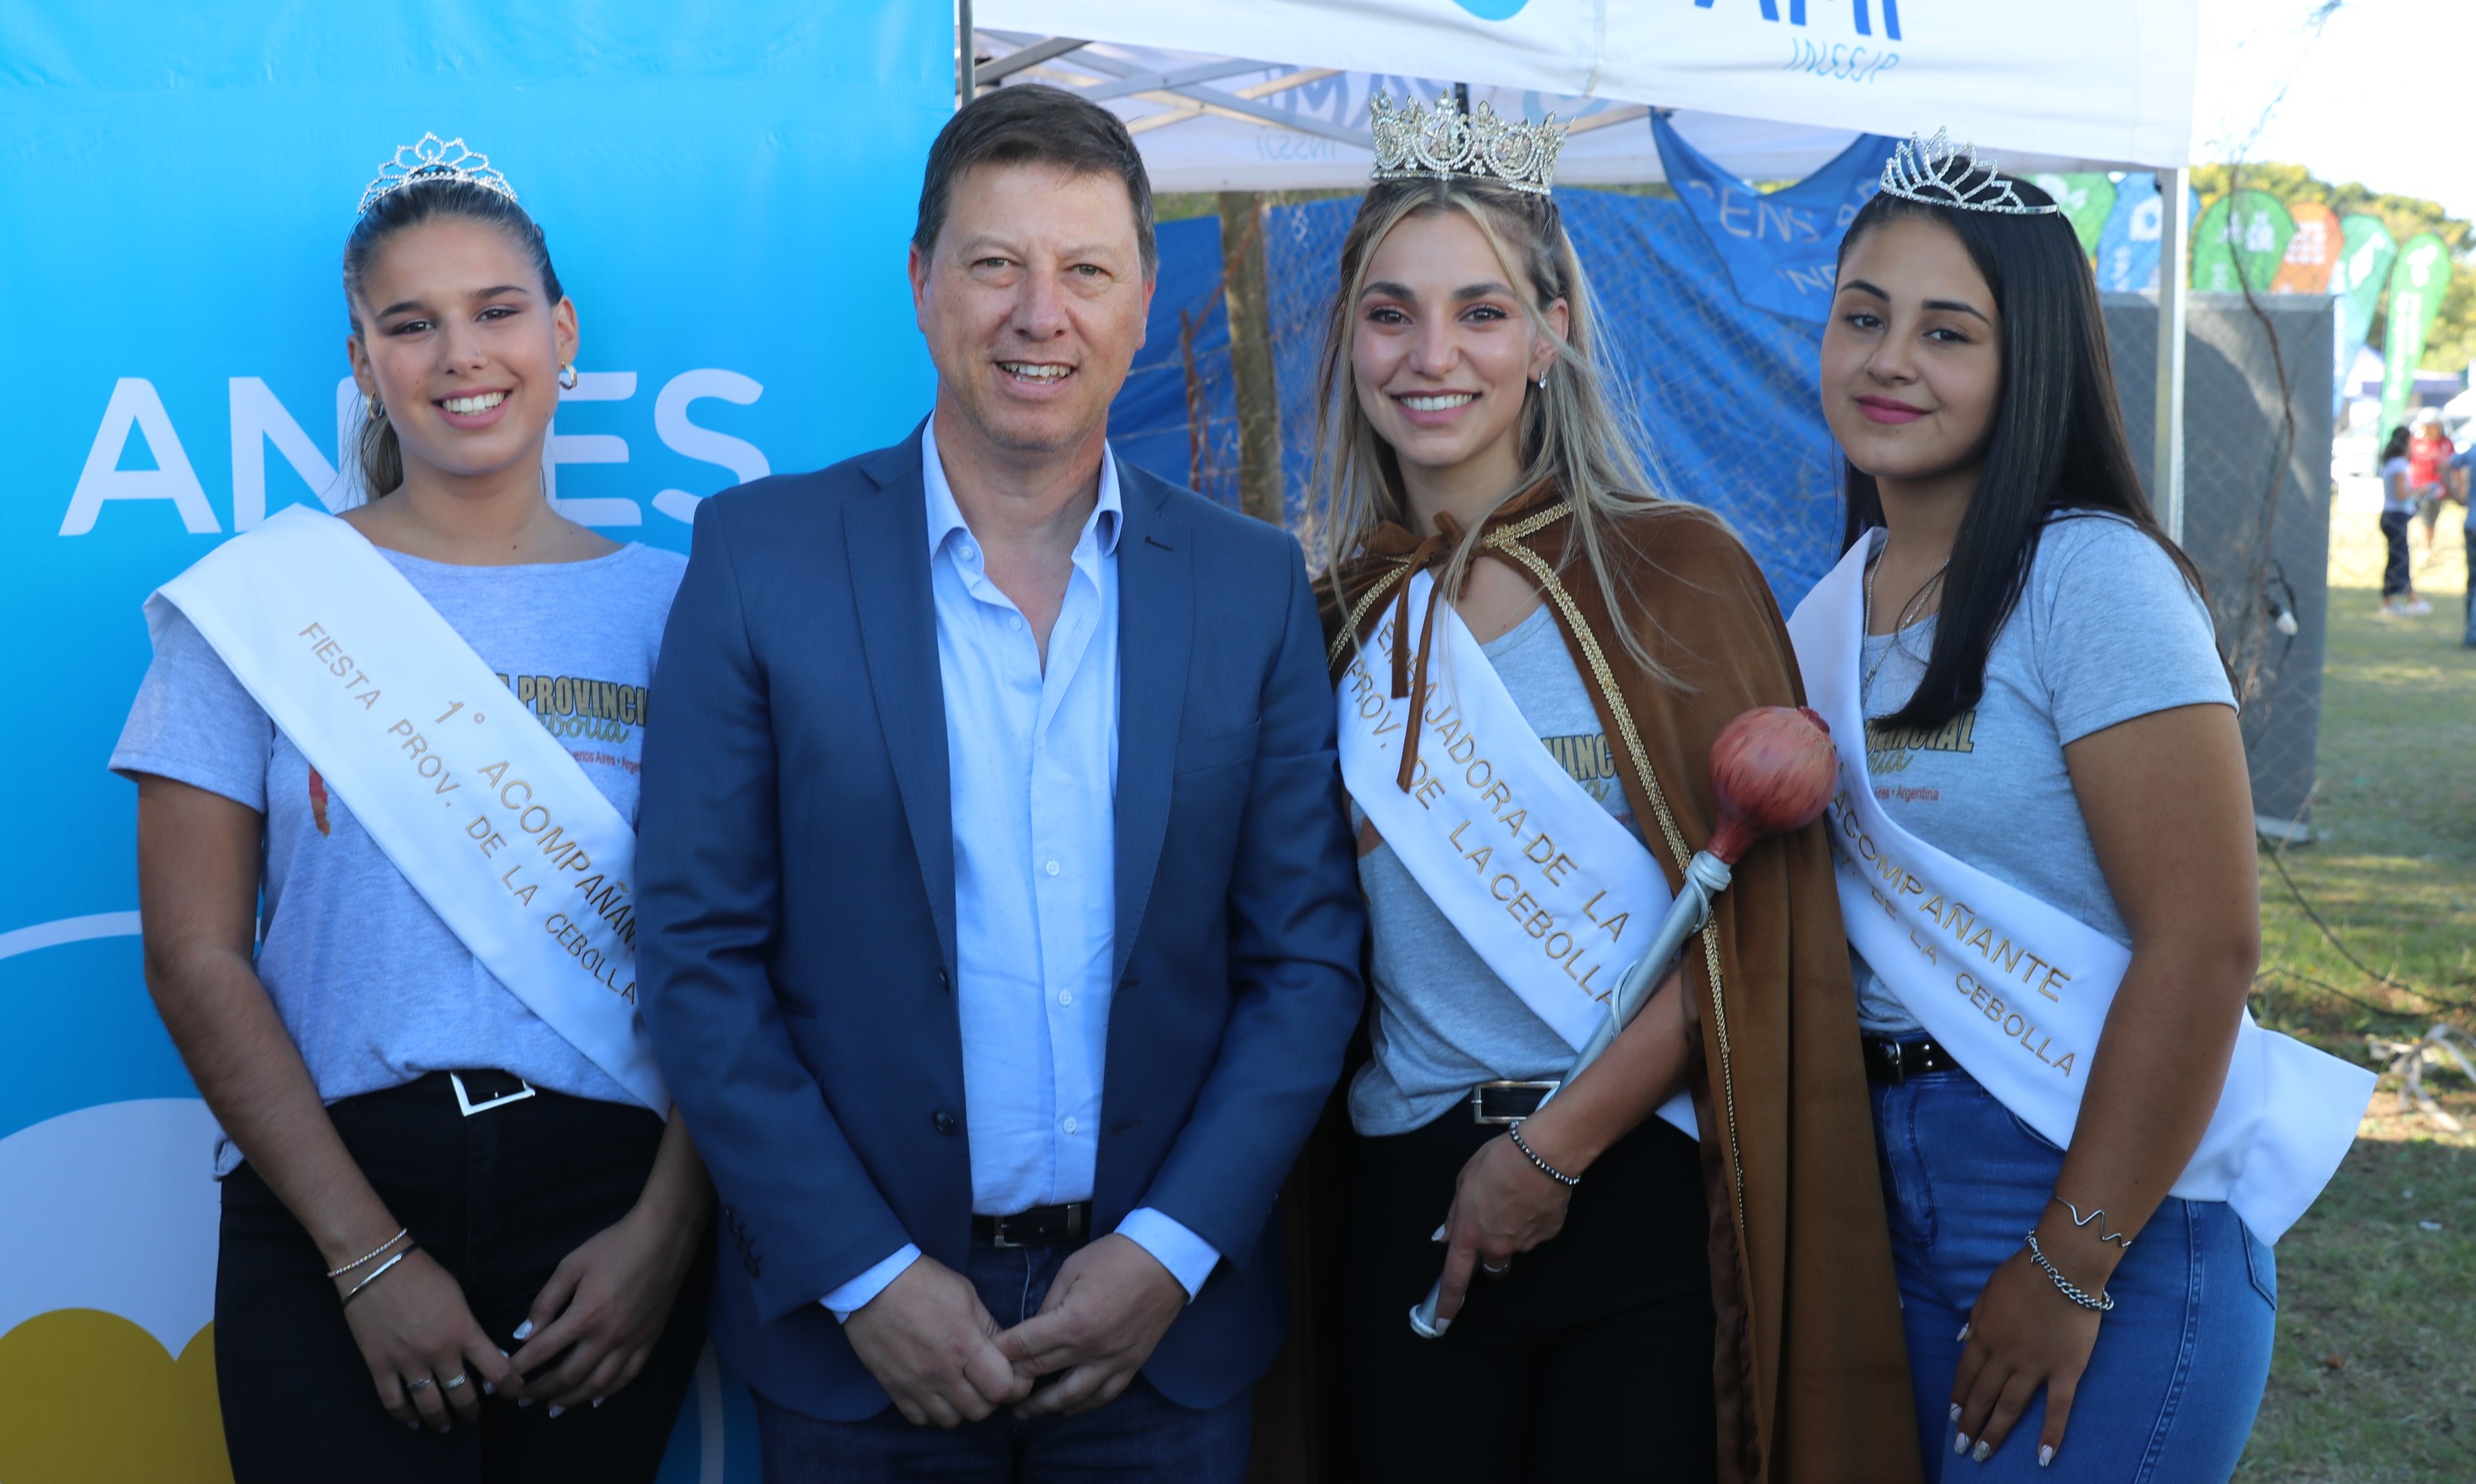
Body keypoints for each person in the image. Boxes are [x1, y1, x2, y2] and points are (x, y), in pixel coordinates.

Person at [633, 83, 1365, 1482]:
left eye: (1085, 270)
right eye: (994, 265)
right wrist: (862, 1270)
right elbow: (697, 951)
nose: (1040, 315)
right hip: (858, 1344)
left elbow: (1305, 959)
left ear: (1143, 301)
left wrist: (1169, 1250)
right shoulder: (757, 559)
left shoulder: (1251, 583)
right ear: (922, 284)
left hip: (1160, 1337)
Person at [1315, 96, 1918, 1483]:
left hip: (1638, 1178)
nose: (1431, 355)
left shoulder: (1676, 574)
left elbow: (1758, 922)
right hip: (1403, 1178)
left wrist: (1551, 1149)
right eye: (1391, 314)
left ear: (1549, 334)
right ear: (1348, 337)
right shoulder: (1327, 619)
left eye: (1479, 312)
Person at [113, 136, 712, 1480]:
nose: (460, 356)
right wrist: (365, 1252)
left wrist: (668, 1228)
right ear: (363, 360)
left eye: (496, 311)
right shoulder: (260, 605)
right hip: (330, 1190)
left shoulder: (687, 606)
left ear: (562, 333)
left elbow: (747, 945)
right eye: (410, 323)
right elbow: (194, 953)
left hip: (612, 1201)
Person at [1789, 135, 2369, 1480]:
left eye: (1946, 332)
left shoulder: (2087, 577)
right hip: (1882, 1187)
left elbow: (2206, 940)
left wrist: (2069, 1256)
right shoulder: (1829, 604)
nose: (1888, 359)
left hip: (2092, 1192)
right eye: (1862, 316)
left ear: (2029, 359)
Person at [2378, 425, 2428, 616]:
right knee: (2400, 560)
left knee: (2395, 560)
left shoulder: (2391, 462)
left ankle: (2389, 601)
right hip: (2396, 516)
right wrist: (2421, 491)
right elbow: (2401, 494)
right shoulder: (2399, 464)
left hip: (2392, 516)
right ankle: (2412, 599)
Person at [2409, 408, 2455, 558]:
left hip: (2436, 489)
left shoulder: (2446, 443)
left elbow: (2453, 465)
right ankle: (2423, 545)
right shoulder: (2415, 442)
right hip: (2416, 488)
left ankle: (2427, 547)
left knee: (2429, 518)